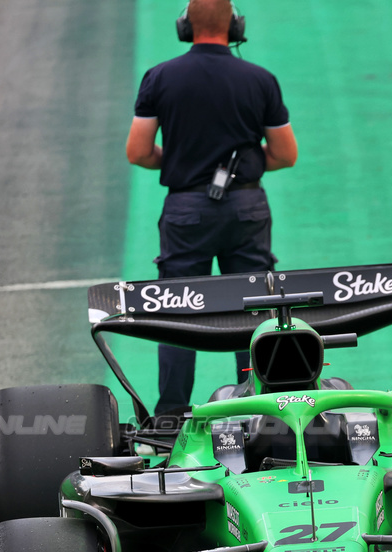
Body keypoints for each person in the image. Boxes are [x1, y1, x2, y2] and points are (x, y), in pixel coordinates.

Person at [126, 0, 298, 415]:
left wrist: (185, 160)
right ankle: (263, 411)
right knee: (257, 310)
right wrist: (245, 167)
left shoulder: (159, 77)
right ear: (235, 27)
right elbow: (285, 154)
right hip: (246, 207)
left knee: (177, 313)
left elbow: (138, 152)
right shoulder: (260, 80)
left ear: (185, 27)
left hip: (186, 211)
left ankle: (170, 419)